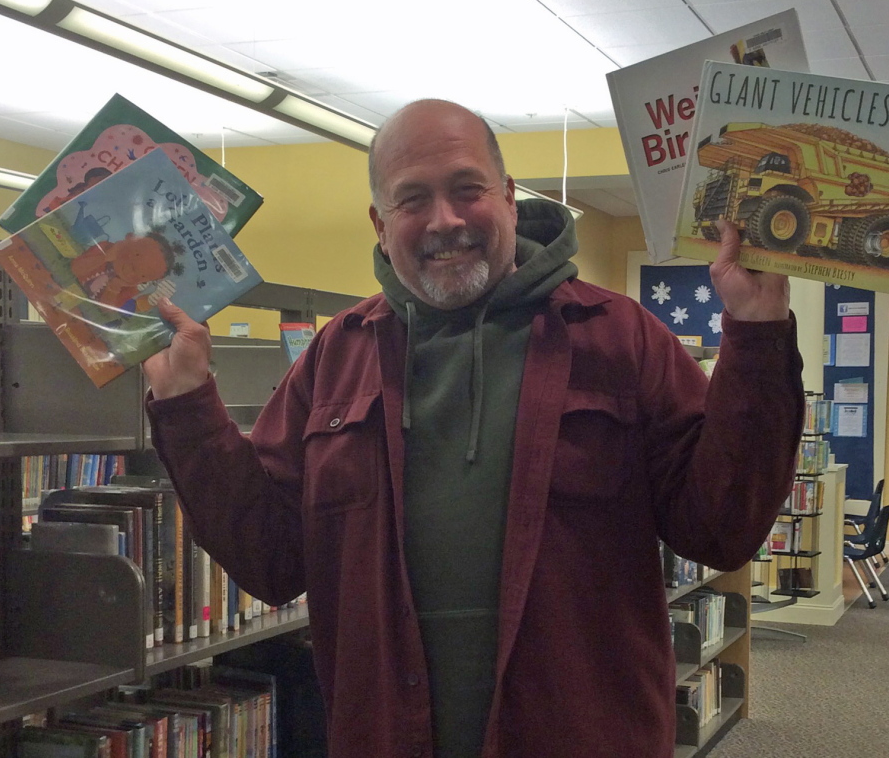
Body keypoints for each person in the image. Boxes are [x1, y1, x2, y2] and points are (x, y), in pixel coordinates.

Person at [143, 99, 804, 758]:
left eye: (467, 190)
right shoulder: (336, 358)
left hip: (583, 736)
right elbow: (271, 559)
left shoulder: (619, 337)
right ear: (379, 222)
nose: (445, 220)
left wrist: (756, 335)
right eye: (412, 200)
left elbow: (719, 528)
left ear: (509, 198)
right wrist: (185, 405)